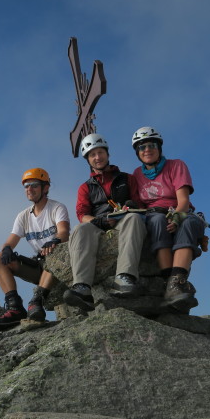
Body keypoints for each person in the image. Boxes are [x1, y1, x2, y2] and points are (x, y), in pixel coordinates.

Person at [63, 133, 147, 312]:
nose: (97, 157)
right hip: (98, 222)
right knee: (80, 229)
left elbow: (138, 203)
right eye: (92, 155)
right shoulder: (86, 187)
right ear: (88, 160)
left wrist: (131, 207)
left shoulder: (127, 178)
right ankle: (82, 287)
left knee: (134, 218)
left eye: (100, 152)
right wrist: (99, 221)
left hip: (124, 218)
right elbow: (82, 213)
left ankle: (124, 276)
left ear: (107, 154)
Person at [130, 126, 206, 312]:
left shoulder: (176, 165)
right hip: (153, 214)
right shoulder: (137, 175)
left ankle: (176, 282)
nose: (147, 150)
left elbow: (184, 201)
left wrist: (177, 218)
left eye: (151, 145)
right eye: (141, 147)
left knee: (189, 222)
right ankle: (168, 282)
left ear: (159, 147)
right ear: (137, 152)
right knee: (156, 220)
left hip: (179, 210)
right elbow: (139, 206)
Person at [0, 168, 70, 326]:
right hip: (39, 266)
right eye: (26, 186)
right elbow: (10, 242)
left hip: (59, 264)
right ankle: (15, 308)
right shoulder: (24, 216)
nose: (29, 189)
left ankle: (37, 301)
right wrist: (7, 249)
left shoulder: (57, 208)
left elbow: (64, 232)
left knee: (53, 254)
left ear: (45, 187)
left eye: (34, 185)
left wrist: (54, 241)